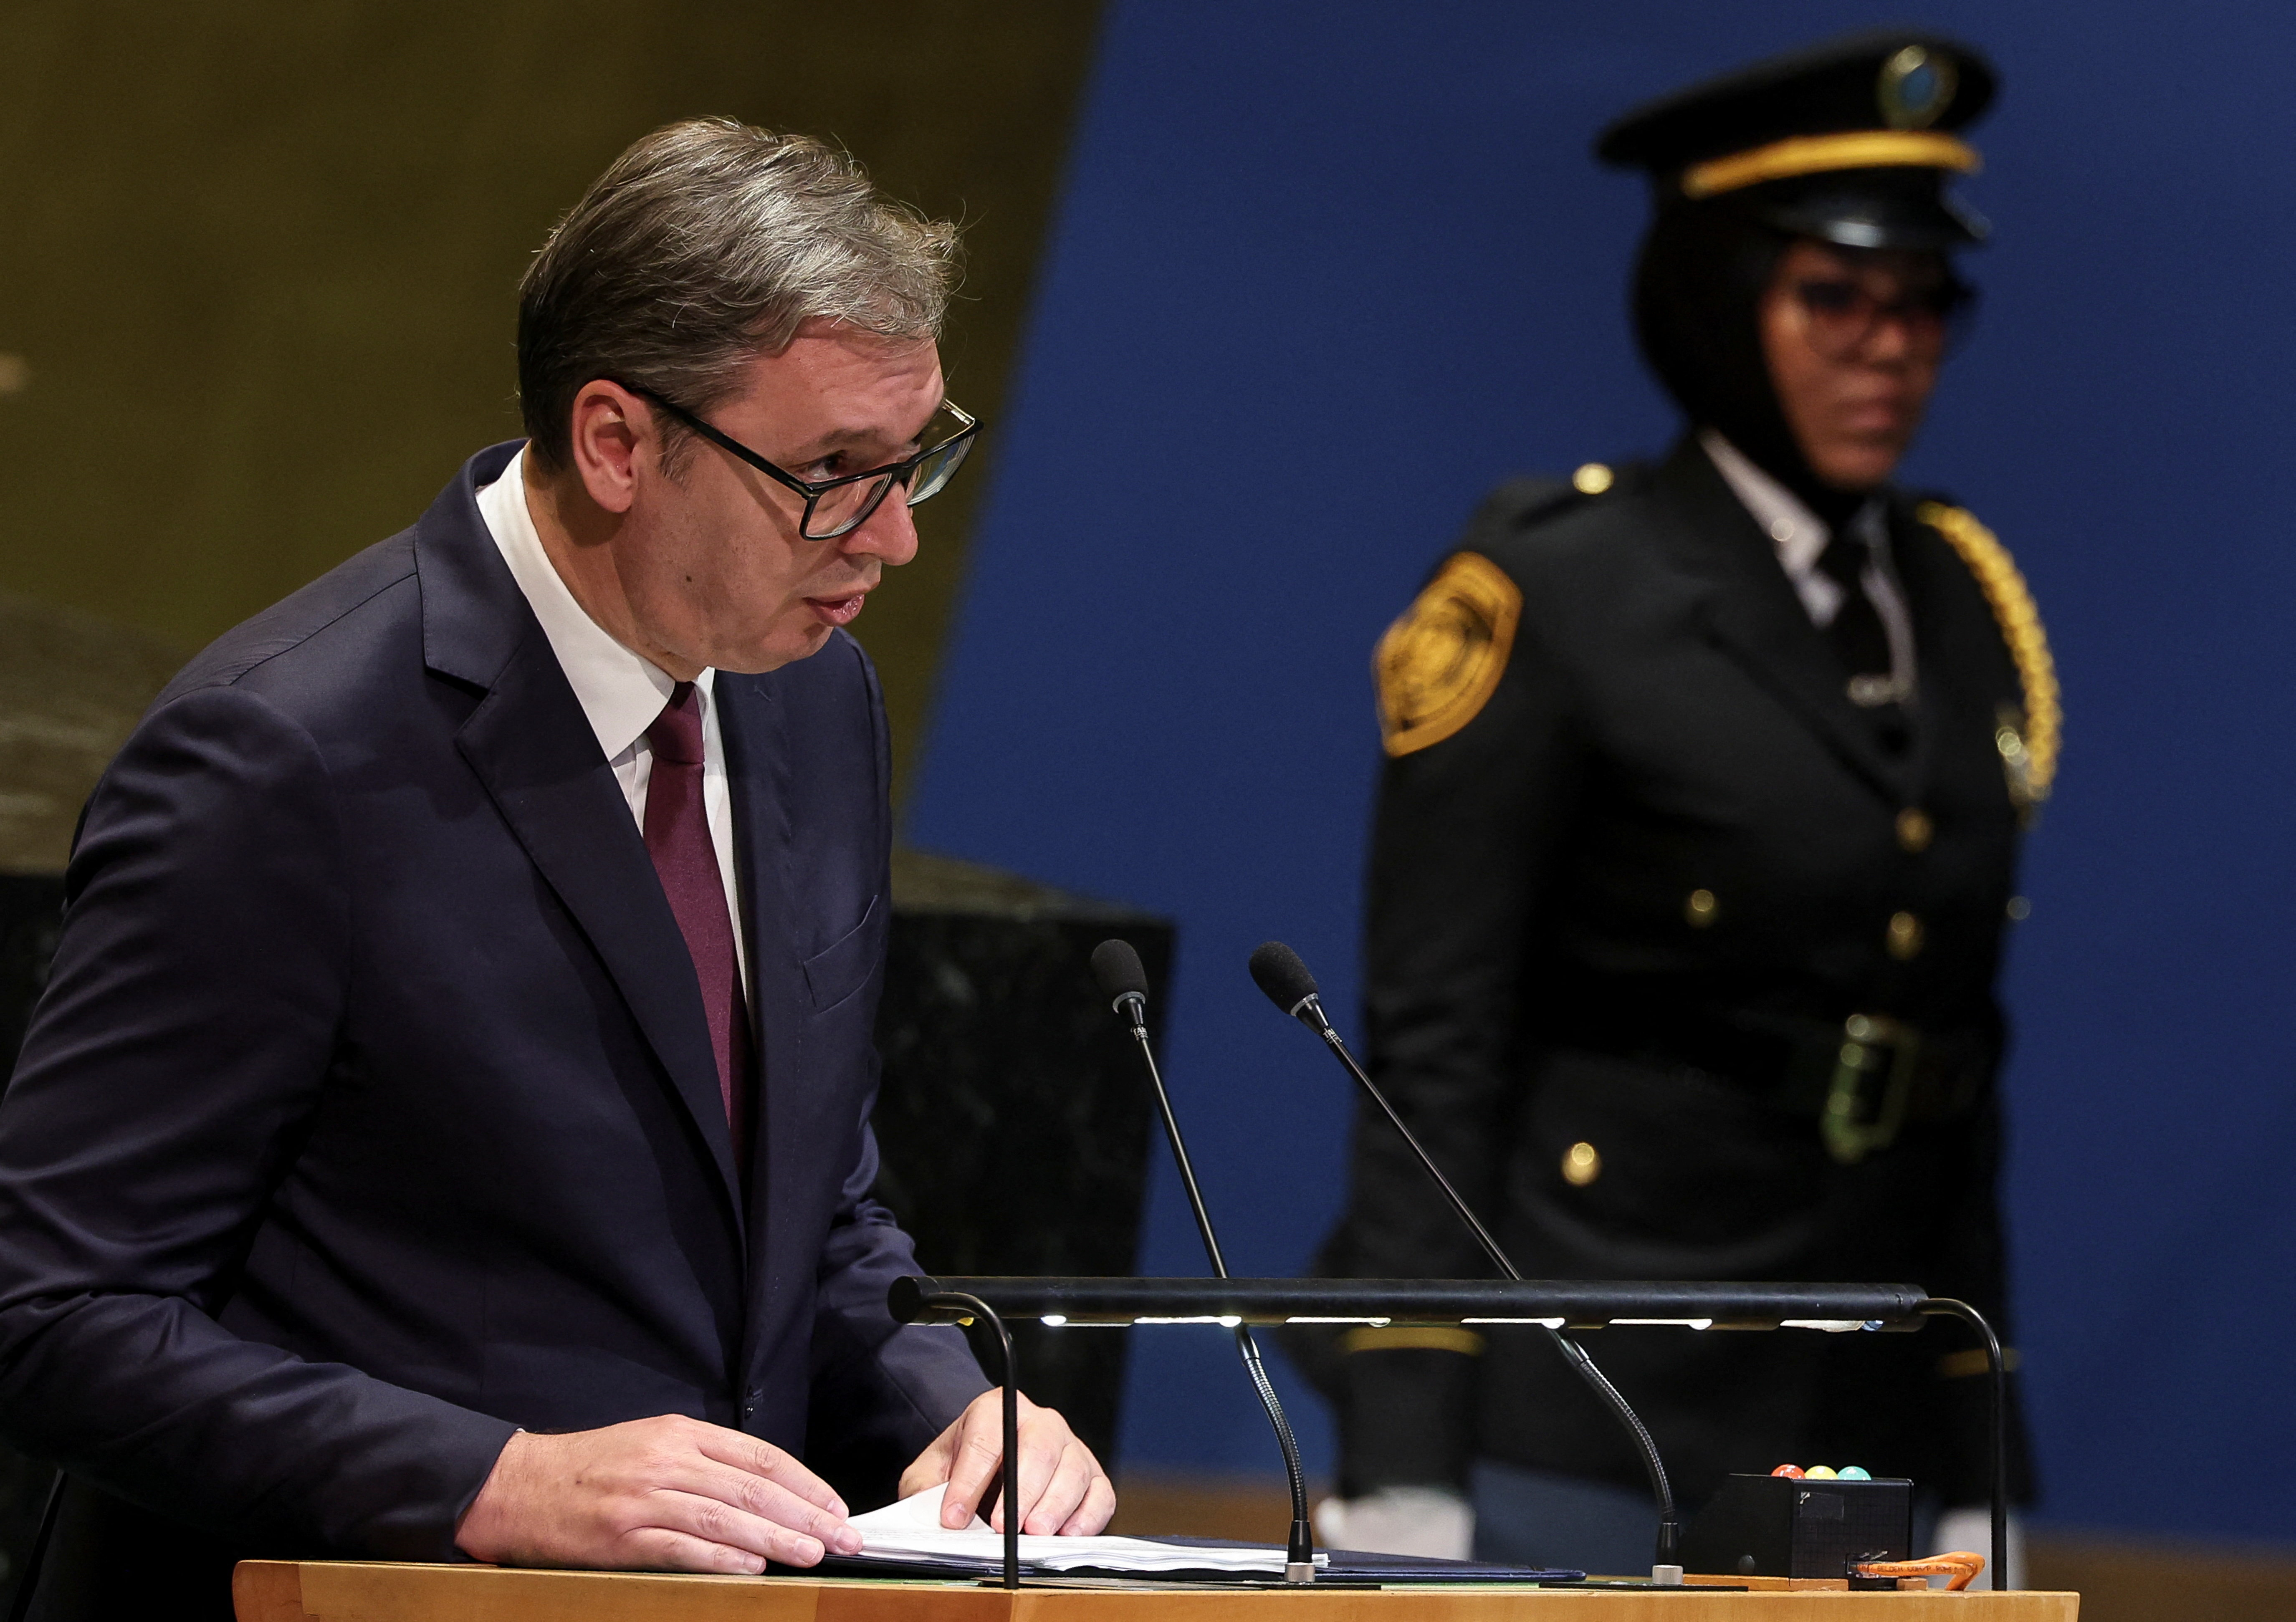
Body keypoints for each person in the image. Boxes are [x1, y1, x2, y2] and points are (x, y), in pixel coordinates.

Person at [0, 119, 1112, 1621]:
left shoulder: (807, 693)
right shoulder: (283, 757)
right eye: (835, 473)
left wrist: (946, 1404)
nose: (896, 538)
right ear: (616, 442)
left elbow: (809, 1210)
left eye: (917, 461)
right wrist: (494, 1481)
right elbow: (51, 1311)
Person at [1305, 32, 2044, 1582]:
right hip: (1583, 1395)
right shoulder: (1559, 591)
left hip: (1866, 1404)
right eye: (1831, 299)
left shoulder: (1956, 597)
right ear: (1716, 297)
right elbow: (1434, 1054)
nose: (1886, 350)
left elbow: (1948, 1067)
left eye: (1920, 307)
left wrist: (1982, 1440)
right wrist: (1403, 1442)